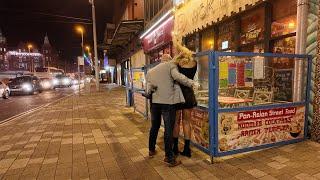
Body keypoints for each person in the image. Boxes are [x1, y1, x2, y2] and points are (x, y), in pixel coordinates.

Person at [146, 54, 197, 167]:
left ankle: (151, 149)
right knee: (169, 129)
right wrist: (192, 83)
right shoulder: (170, 65)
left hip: (155, 103)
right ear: (169, 60)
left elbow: (149, 88)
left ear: (161, 60)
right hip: (168, 103)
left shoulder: (150, 71)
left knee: (154, 126)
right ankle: (169, 157)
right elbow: (178, 77)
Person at [172, 47, 198, 158]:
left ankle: (175, 148)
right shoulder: (194, 63)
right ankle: (187, 149)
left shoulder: (177, 64)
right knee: (187, 122)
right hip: (189, 94)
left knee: (176, 122)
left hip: (178, 94)